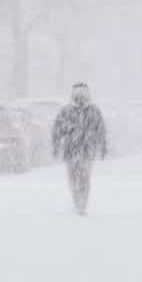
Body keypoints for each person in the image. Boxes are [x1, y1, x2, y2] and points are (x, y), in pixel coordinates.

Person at [51, 82, 108, 215]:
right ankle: (76, 199)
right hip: (71, 151)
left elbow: (101, 130)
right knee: (72, 178)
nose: (80, 98)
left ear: (88, 95)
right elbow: (57, 130)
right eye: (78, 95)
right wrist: (56, 145)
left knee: (85, 178)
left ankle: (82, 204)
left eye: (83, 95)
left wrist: (103, 146)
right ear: (73, 95)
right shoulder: (66, 111)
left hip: (87, 151)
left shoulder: (94, 111)